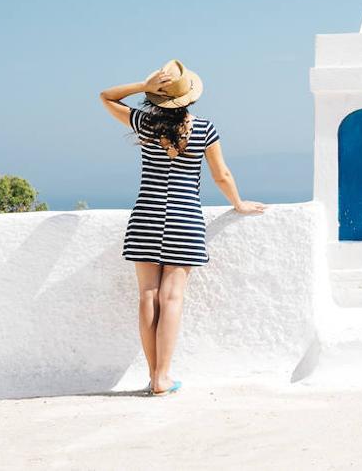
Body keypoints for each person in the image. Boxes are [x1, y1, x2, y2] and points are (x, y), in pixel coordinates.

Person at [99, 60, 266, 396]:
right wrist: (238, 204)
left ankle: (153, 376)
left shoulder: (145, 124)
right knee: (171, 297)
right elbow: (222, 175)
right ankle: (163, 377)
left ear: (159, 97)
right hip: (184, 219)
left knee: (148, 296)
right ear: (189, 96)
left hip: (146, 216)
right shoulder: (204, 129)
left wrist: (143, 86)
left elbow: (106, 97)